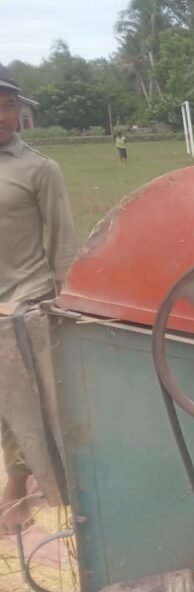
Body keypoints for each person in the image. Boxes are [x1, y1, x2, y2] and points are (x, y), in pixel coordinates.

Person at [0, 64, 78, 534]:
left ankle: (25, 486)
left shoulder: (38, 169)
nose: (1, 115)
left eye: (7, 105)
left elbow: (64, 241)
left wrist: (65, 300)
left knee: (34, 404)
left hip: (23, 305)